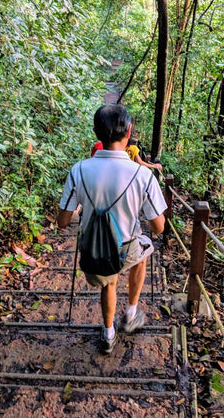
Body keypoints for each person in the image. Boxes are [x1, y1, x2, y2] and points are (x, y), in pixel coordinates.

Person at [57, 104, 166, 355]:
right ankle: (130, 312)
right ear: (128, 132)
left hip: (94, 252)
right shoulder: (142, 175)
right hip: (127, 249)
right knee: (144, 249)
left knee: (109, 281)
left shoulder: (79, 170)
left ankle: (107, 334)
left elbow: (63, 222)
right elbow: (158, 228)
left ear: (96, 133)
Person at [91, 137, 163, 173]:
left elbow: (93, 158)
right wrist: (153, 166)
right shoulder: (134, 148)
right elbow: (140, 162)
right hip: (129, 171)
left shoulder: (116, 147)